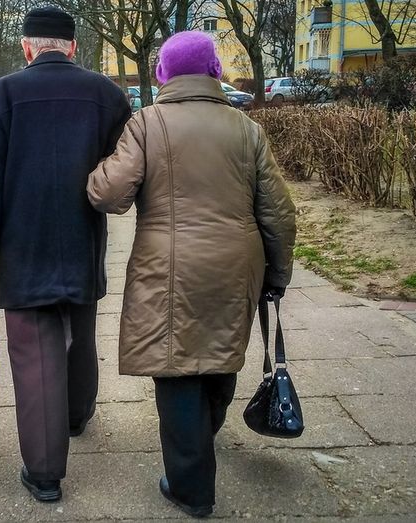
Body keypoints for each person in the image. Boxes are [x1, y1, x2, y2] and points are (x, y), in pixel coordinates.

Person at [87, 31, 296, 518]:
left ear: (162, 75)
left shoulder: (147, 124)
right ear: (216, 73)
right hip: (236, 263)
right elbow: (279, 213)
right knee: (221, 354)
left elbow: (109, 195)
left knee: (176, 366)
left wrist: (96, 170)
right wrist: (277, 275)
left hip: (168, 266)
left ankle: (191, 488)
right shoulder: (247, 130)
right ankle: (204, 437)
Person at [0, 6, 131, 503]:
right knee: (80, 335)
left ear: (27, 46)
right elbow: (121, 174)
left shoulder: (1, 95)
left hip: (24, 248)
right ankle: (77, 416)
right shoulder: (108, 96)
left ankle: (46, 472)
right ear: (72, 47)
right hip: (82, 240)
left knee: (35, 355)